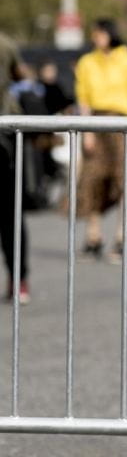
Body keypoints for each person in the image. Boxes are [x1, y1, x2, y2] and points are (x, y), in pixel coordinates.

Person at [74, 19, 127, 264]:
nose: (95, 38)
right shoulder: (87, 62)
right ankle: (93, 237)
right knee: (91, 180)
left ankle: (122, 238)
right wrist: (87, 131)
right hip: (95, 123)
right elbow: (83, 98)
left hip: (122, 124)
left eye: (99, 33)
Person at [0, 32, 30, 304]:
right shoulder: (6, 43)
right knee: (11, 215)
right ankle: (19, 281)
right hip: (5, 139)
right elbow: (22, 76)